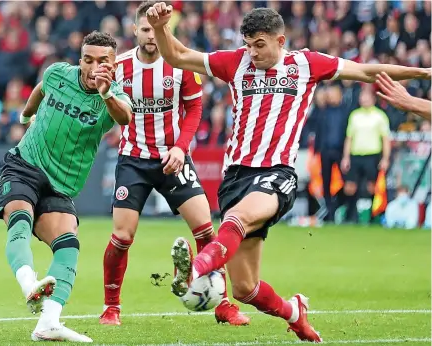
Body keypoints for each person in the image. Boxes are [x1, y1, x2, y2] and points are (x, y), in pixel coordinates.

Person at [146, 3, 430, 342]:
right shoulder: (234, 62)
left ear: (280, 40)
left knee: (236, 218)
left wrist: (423, 73)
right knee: (245, 289)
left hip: (276, 174)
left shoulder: (306, 64)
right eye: (248, 44)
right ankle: (294, 312)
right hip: (236, 176)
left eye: (259, 45)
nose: (252, 52)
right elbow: (177, 57)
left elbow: (368, 71)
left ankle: (195, 270)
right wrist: (162, 28)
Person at [99, 1, 249, 327]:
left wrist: (181, 148)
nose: (151, 36)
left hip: (174, 158)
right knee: (122, 236)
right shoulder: (120, 67)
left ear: (166, 30)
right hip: (134, 159)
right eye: (145, 30)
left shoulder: (181, 64)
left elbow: (195, 110)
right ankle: (112, 308)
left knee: (207, 229)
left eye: (156, 30)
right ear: (135, 30)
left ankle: (224, 304)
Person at [0, 31, 132, 343]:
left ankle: (48, 322)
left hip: (60, 186)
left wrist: (106, 94)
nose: (94, 68)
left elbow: (125, 118)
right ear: (80, 61)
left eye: (102, 61)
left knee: (68, 243)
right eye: (88, 60)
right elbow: (40, 89)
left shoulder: (115, 97)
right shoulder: (57, 73)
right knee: (20, 219)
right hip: (23, 164)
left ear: (114, 64)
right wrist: (26, 115)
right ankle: (29, 283)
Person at [341, 88, 391, 223]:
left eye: (367, 97)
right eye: (362, 97)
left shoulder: (380, 116)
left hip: (372, 155)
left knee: (371, 187)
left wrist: (385, 158)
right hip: (356, 155)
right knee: (350, 187)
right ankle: (350, 216)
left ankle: (372, 217)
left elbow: (385, 139)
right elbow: (349, 138)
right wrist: (346, 157)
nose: (364, 99)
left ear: (373, 99)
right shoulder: (354, 115)